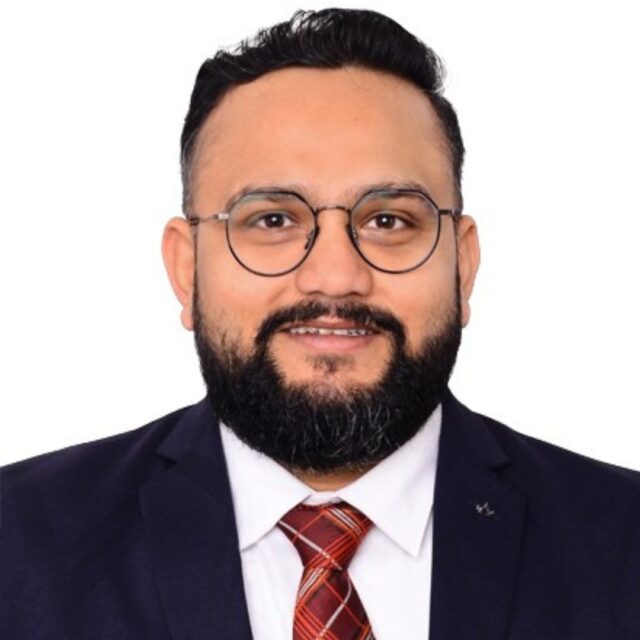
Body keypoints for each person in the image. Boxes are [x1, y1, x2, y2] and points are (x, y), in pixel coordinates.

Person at [1, 7, 638, 639]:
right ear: (186, 267)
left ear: (463, 265)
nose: (335, 277)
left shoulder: (622, 541)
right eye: (273, 219)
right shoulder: (18, 544)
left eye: (388, 220)